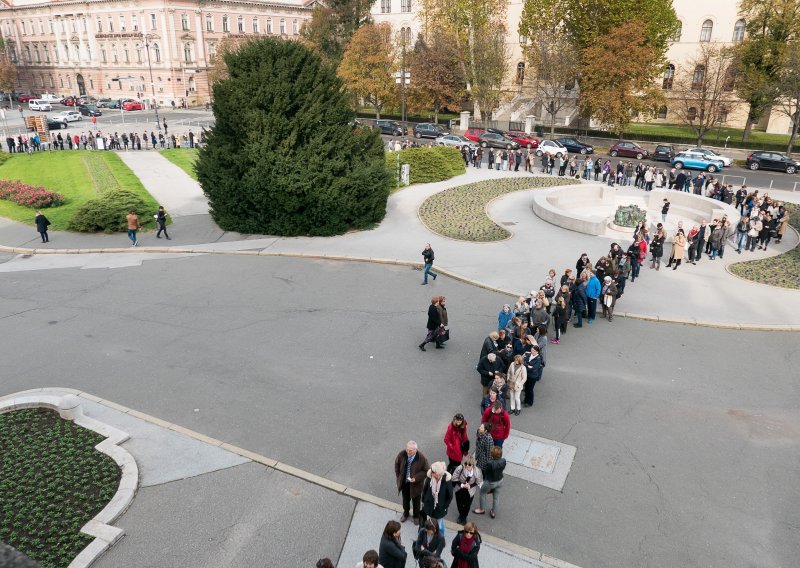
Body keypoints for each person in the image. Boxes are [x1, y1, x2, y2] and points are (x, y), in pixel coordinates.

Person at [394, 441, 429, 525]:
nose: (408, 452)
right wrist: (399, 477)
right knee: (405, 501)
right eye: (407, 449)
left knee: (416, 502)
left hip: (416, 485)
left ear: (416, 450)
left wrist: (416, 478)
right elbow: (397, 464)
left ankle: (416, 516)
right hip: (405, 483)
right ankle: (406, 513)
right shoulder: (402, 454)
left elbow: (426, 471)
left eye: (411, 450)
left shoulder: (422, 458)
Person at [420, 462, 454, 536]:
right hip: (429, 504)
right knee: (432, 520)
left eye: (433, 471)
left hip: (440, 507)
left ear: (438, 473)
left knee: (439, 523)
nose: (431, 472)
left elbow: (450, 495)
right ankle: (433, 531)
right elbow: (425, 489)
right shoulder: (430, 477)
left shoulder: (446, 480)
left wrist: (445, 506)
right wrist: (423, 500)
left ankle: (440, 535)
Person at [473, 446, 506, 519]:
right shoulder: (503, 461)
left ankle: (481, 509)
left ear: (492, 455)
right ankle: (493, 512)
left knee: (482, 493)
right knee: (496, 497)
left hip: (491, 482)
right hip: (500, 480)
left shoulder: (490, 463)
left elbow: (486, 472)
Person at [452, 455, 483, 524]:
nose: (467, 466)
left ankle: (464, 517)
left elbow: (478, 482)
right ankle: (460, 515)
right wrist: (462, 485)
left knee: (467, 506)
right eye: (466, 463)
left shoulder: (477, 471)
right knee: (459, 504)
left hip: (470, 491)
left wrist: (470, 486)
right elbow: (454, 478)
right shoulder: (460, 468)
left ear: (473, 465)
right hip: (459, 489)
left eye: (469, 464)